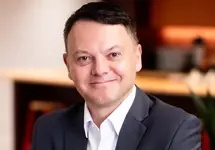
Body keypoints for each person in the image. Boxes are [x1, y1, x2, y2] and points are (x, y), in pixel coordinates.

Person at [31, 2, 201, 150]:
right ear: (68, 65)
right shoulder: (48, 129)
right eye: (84, 58)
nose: (100, 69)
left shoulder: (176, 129)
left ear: (137, 58)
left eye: (113, 55)